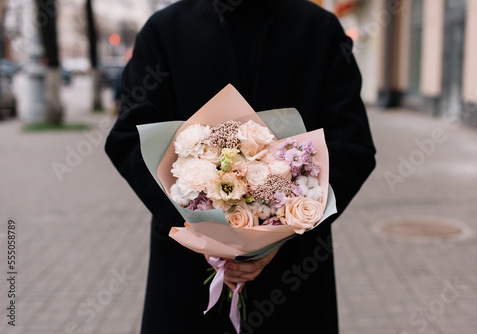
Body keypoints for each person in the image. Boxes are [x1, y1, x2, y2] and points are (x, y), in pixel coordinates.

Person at [105, 0, 376, 333]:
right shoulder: (163, 32)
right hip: (189, 271)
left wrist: (279, 230)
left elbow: (351, 143)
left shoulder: (320, 31)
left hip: (295, 268)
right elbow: (130, 138)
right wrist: (204, 231)